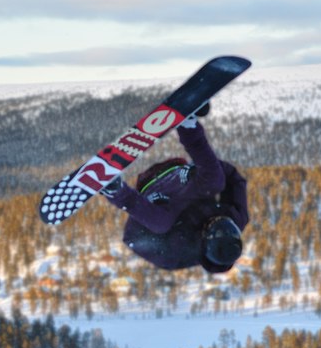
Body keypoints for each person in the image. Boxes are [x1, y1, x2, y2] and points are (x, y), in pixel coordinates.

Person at [102, 110, 248, 273]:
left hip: (155, 195)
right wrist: (202, 170)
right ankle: (188, 124)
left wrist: (149, 208)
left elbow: (133, 239)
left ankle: (114, 190)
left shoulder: (174, 255)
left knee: (161, 223)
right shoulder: (237, 218)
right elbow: (234, 179)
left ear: (205, 237)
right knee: (215, 183)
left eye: (213, 225)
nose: (216, 219)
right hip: (183, 178)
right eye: (224, 222)